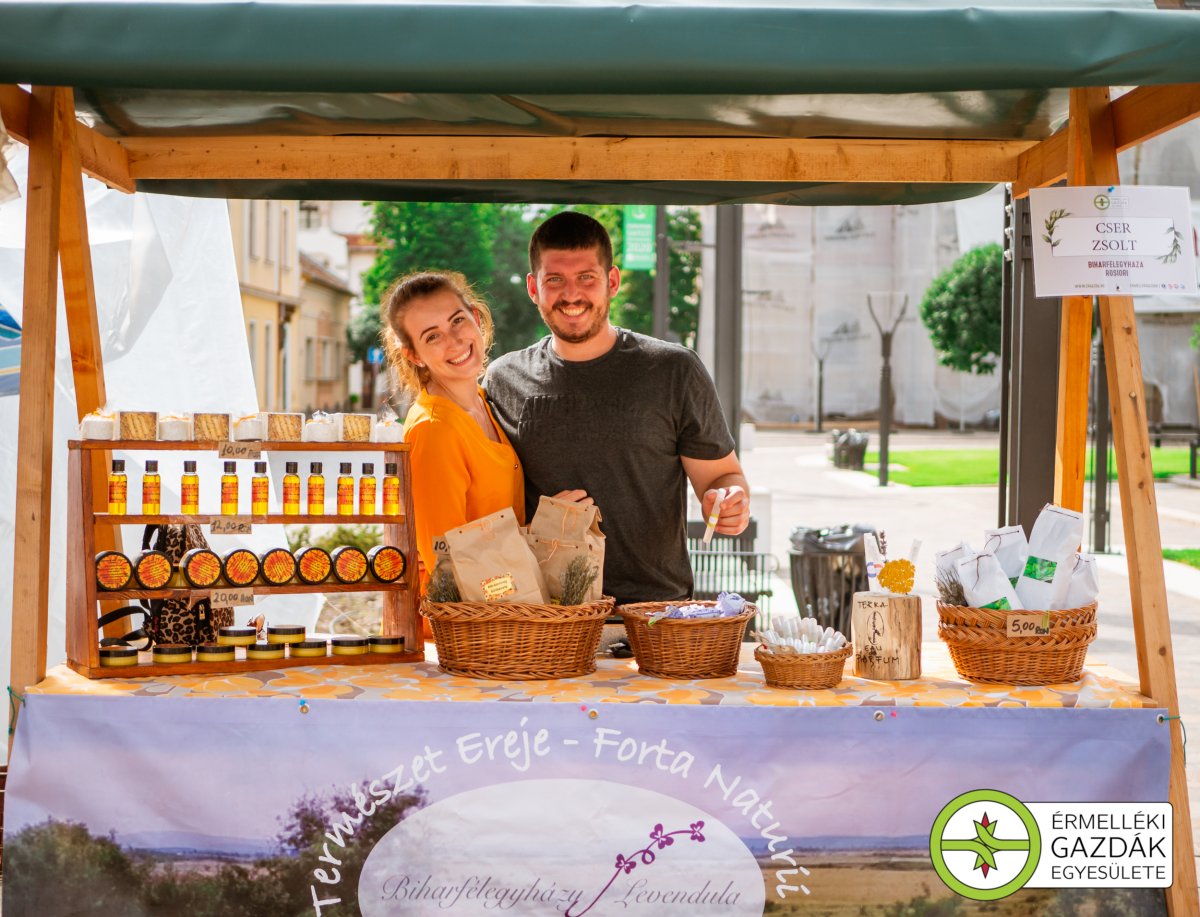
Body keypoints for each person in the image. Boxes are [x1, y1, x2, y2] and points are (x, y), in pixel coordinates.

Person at [486, 211, 750, 607]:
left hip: (654, 612)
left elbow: (722, 475)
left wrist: (729, 502)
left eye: (586, 278)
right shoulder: (502, 379)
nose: (571, 294)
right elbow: (485, 503)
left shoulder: (673, 370)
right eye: (554, 279)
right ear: (533, 288)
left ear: (612, 282)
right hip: (542, 614)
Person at [381, 271, 527, 585]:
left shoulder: (482, 401)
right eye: (432, 336)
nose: (455, 340)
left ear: (475, 317)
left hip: (503, 612)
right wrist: (518, 599)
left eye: (457, 321)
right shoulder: (434, 430)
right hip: (456, 626)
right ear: (414, 355)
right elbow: (446, 563)